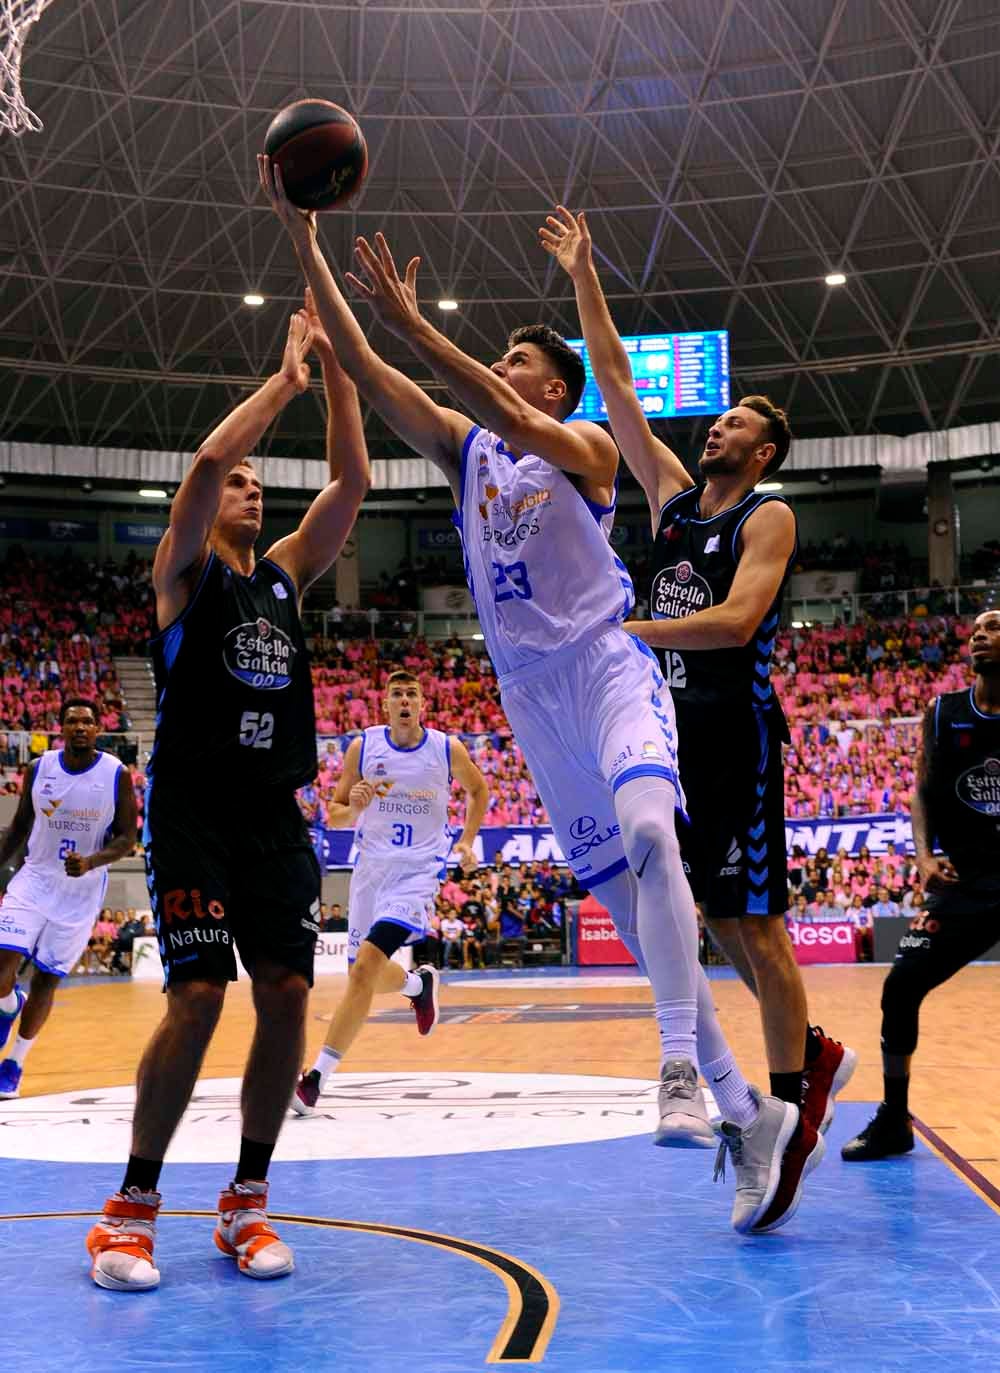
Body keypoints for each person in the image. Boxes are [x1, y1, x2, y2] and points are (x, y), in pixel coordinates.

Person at [261, 158, 804, 1235]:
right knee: (630, 910)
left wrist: (424, 327)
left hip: (605, 664)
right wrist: (303, 239)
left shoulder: (590, 450)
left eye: (518, 360)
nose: (503, 372)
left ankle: (676, 1075)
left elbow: (488, 393)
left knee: (654, 829)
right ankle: (749, 1112)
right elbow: (369, 371)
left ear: (553, 387)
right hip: (530, 699)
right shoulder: (468, 457)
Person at [540, 204, 856, 1231]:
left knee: (754, 924)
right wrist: (586, 272)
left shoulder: (768, 514)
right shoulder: (673, 498)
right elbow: (620, 387)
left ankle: (788, 1104)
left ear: (763, 454)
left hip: (733, 728)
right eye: (718, 421)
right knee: (702, 914)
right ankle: (793, 1067)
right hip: (669, 728)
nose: (715, 428)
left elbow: (734, 620)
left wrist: (625, 630)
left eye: (736, 427)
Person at [84, 297, 370, 1291]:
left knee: (289, 994)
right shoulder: (185, 575)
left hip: (274, 817)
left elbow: (351, 480)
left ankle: (246, 1201)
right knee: (199, 994)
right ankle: (128, 1208)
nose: (247, 488)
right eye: (240, 483)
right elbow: (203, 468)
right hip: (193, 811)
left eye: (258, 483)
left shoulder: (286, 576)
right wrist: (284, 381)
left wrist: (336, 364)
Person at [292, 670, 488, 1113]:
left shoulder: (445, 748)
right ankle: (418, 987)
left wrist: (467, 841)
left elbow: (479, 790)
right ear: (385, 705)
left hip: (417, 872)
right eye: (396, 693)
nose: (404, 700)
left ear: (422, 705)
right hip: (371, 871)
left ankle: (317, 1077)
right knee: (367, 977)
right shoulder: (363, 747)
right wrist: (354, 805)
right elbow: (337, 816)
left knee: (364, 971)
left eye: (411, 694)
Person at [843, 609, 1000, 1160]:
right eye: (978, 629)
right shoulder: (945, 713)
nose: (982, 635)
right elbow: (920, 790)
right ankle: (894, 1119)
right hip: (965, 884)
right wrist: (924, 854)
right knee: (901, 985)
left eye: (996, 627)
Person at [0, 699, 138, 1097]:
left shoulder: (115, 773)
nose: (81, 727)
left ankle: (15, 1063)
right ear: (61, 727)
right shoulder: (39, 768)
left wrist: (93, 860)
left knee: (46, 979)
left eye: (88, 722)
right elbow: (20, 825)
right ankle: (8, 1004)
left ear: (98, 730)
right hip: (35, 879)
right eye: (73, 721)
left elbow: (127, 837)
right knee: (1, 964)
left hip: (80, 892)